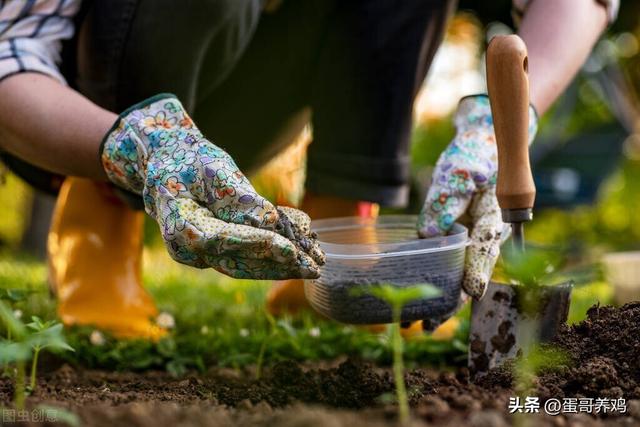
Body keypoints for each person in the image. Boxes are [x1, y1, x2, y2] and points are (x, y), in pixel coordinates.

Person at [0, 0, 617, 338]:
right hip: (80, 114)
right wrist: (138, 144)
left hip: (251, 106)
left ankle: (336, 237)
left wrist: (505, 124)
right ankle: (99, 229)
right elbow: (10, 53)